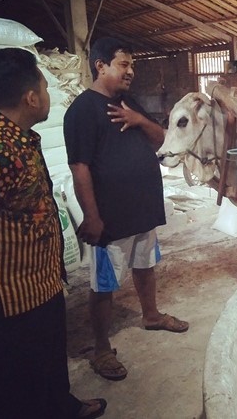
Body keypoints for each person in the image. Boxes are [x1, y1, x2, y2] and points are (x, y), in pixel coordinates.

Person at [0, 48, 106, 419]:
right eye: (44, 85)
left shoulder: (18, 137)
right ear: (31, 97)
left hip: (36, 288)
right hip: (4, 299)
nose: (47, 95)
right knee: (16, 385)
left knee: (48, 363)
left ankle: (62, 407)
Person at [63, 37, 188, 382]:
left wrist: (137, 119)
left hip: (143, 209)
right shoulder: (82, 111)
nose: (130, 71)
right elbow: (80, 168)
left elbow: (161, 138)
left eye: (132, 65)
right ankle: (102, 349)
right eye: (123, 64)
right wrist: (91, 216)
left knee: (146, 265)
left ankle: (151, 315)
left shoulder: (127, 102)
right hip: (111, 217)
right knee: (105, 283)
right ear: (100, 66)